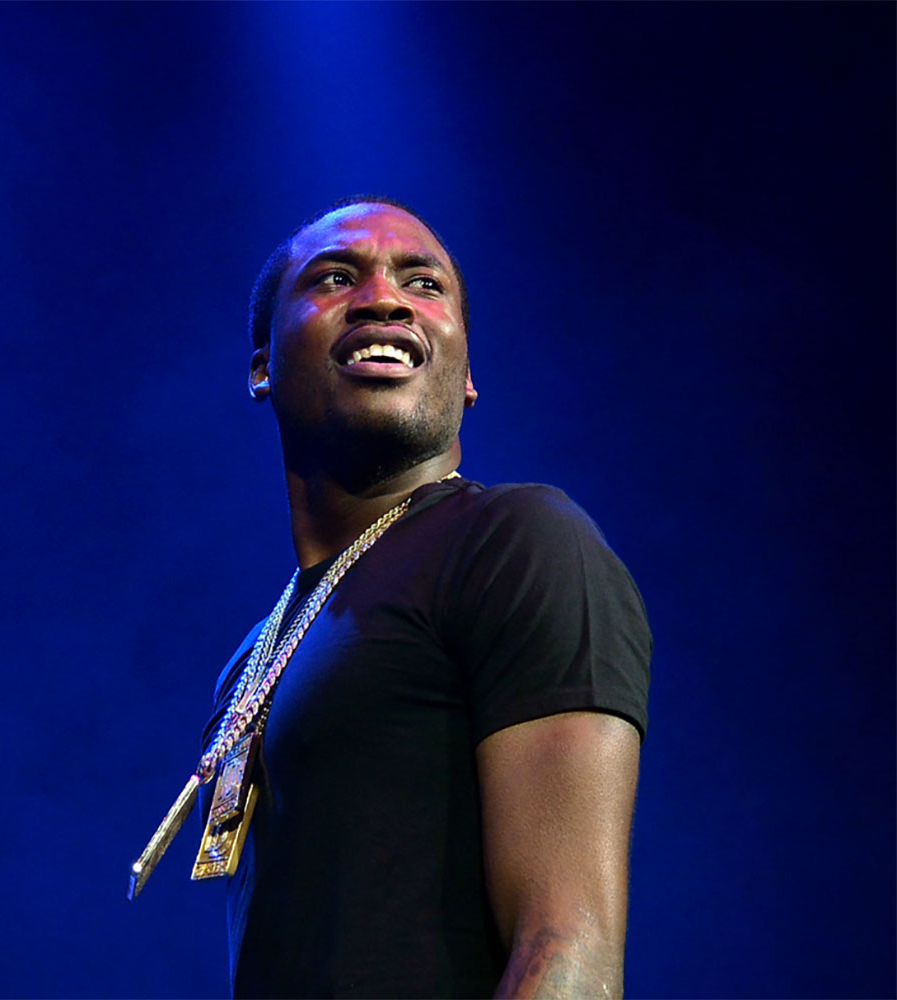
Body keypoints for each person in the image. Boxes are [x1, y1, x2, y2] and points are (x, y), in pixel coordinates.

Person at [199, 196, 651, 999]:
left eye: (424, 283)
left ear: (467, 375)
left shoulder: (516, 542)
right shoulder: (252, 659)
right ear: (262, 364)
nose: (384, 298)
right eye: (335, 278)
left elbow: (569, 948)